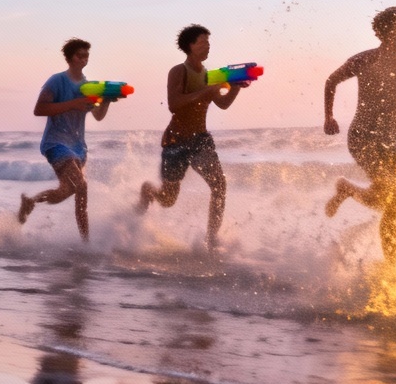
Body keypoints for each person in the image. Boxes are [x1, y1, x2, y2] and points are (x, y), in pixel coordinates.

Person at [323, 6, 396, 263]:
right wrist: (329, 116)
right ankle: (348, 190)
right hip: (363, 135)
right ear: (383, 30)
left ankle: (391, 265)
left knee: (392, 202)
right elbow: (331, 81)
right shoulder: (364, 59)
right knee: (393, 195)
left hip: (394, 139)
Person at [137, 24, 250, 250]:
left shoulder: (210, 75)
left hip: (200, 140)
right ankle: (148, 190)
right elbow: (174, 104)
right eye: (202, 42)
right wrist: (204, 92)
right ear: (190, 46)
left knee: (219, 185)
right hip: (176, 142)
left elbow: (223, 104)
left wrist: (235, 87)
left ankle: (211, 239)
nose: (207, 46)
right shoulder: (179, 71)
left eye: (209, 42)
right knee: (168, 200)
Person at [17, 38, 115, 238]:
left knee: (68, 189)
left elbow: (98, 116)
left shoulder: (89, 86)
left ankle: (32, 202)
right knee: (82, 187)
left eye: (86, 55)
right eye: (80, 55)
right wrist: (73, 103)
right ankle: (86, 243)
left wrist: (106, 102)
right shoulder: (57, 81)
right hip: (56, 144)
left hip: (78, 147)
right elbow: (39, 109)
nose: (84, 59)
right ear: (69, 58)